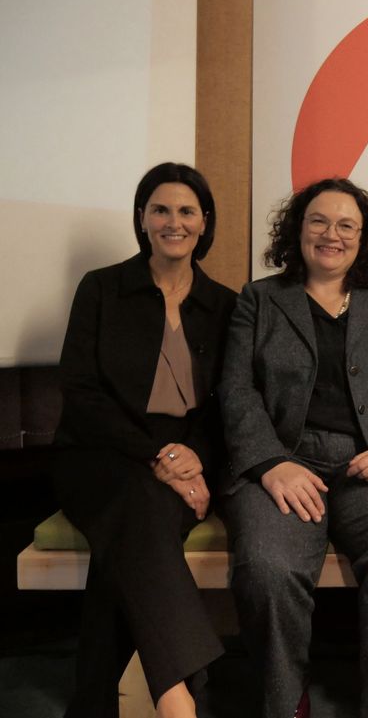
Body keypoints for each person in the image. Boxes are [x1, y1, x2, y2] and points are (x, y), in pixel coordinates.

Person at [218, 177, 368, 718]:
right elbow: (236, 391)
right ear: (298, 230)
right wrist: (270, 464)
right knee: (268, 566)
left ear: (364, 239)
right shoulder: (260, 299)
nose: (331, 235)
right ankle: (285, 699)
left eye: (347, 225)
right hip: (283, 461)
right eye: (318, 221)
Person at [52, 162, 237, 718]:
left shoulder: (226, 304)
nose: (172, 221)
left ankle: (96, 702)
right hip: (98, 453)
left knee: (136, 530)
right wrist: (157, 457)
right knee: (139, 506)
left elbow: (230, 401)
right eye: (160, 209)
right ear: (142, 218)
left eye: (186, 211)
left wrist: (195, 458)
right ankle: (181, 695)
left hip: (186, 459)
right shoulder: (102, 288)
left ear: (204, 222)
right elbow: (80, 392)